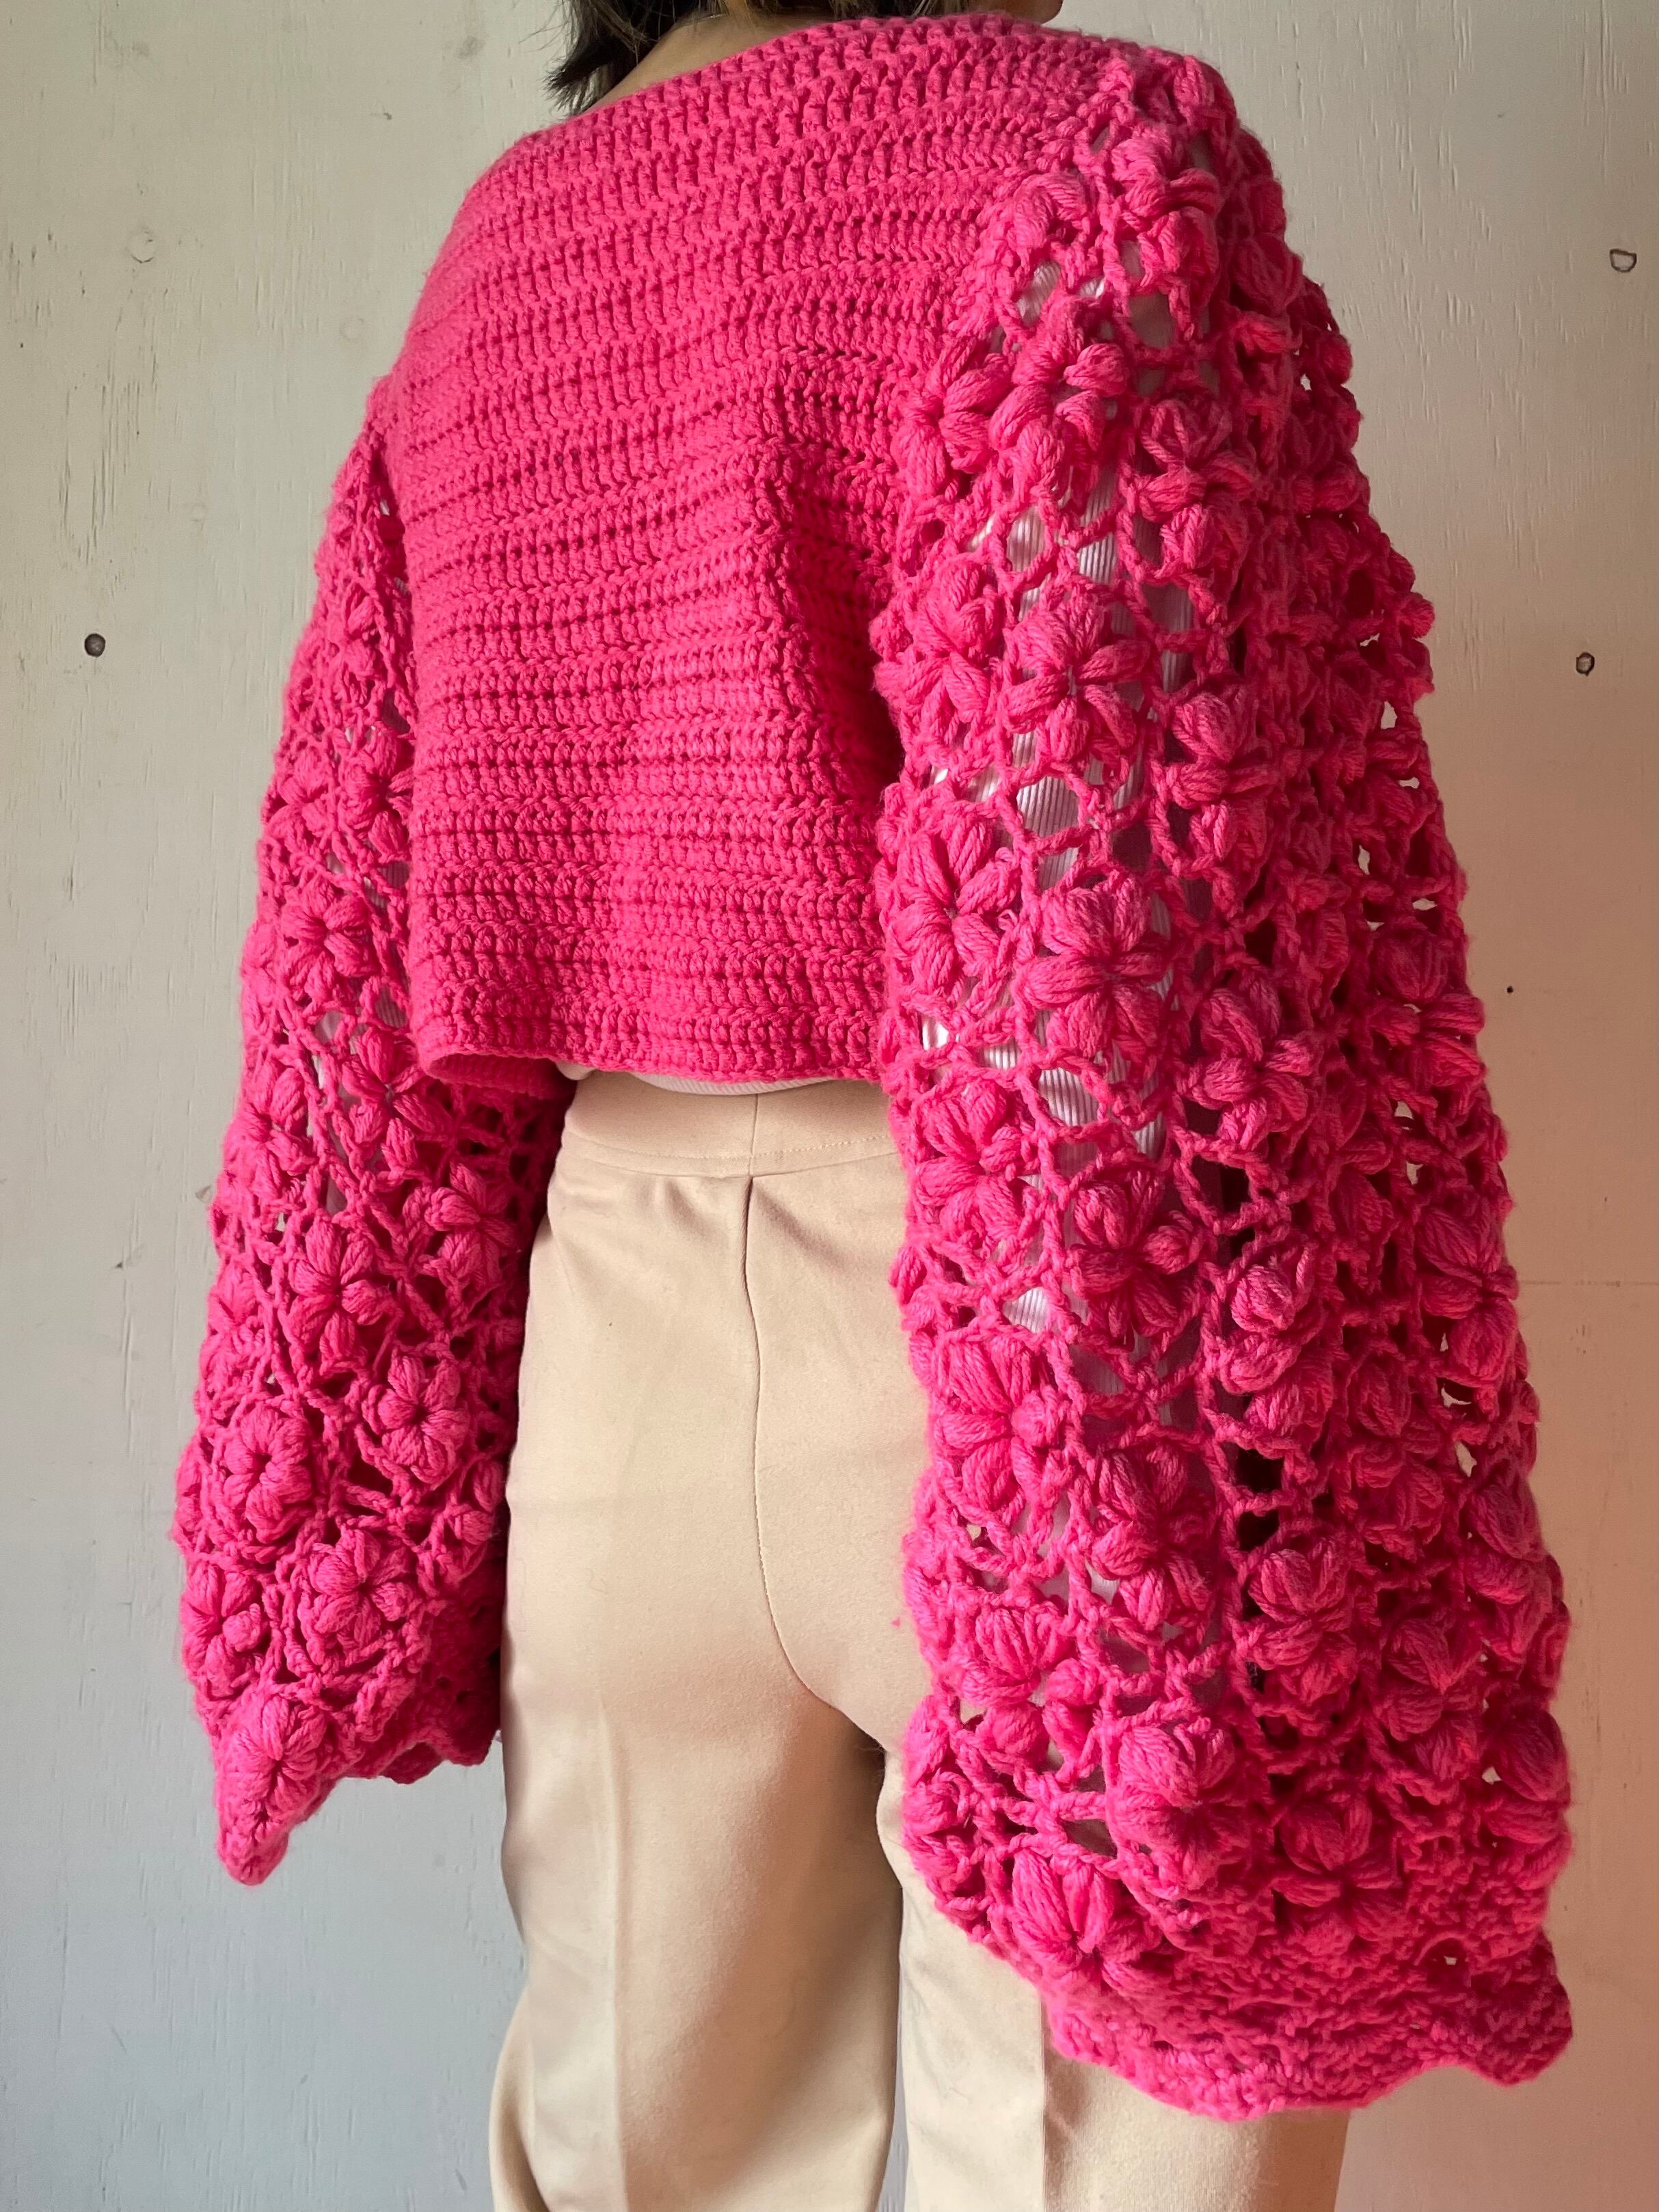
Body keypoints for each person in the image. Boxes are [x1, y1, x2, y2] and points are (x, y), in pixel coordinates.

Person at [170, 4, 1574, 2208]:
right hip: (1036, 1315)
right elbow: (1180, 869)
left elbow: (359, 910)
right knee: (1106, 2157)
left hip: (606, 1350)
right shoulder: (1076, 154)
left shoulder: (495, 257)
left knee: (643, 2166)